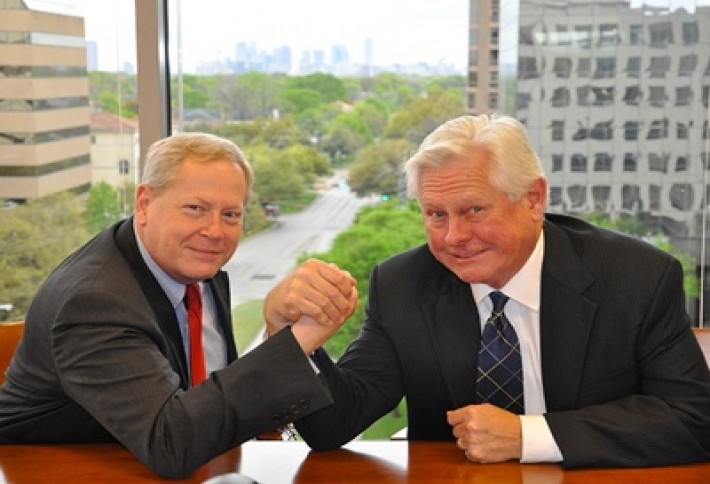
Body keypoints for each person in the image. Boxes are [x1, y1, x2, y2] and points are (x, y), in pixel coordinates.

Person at [270, 114, 710, 468]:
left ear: (534, 200)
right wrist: (294, 339)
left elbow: (693, 419)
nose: (452, 237)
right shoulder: (403, 284)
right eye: (435, 215)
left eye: (473, 210)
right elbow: (333, 425)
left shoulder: (635, 277)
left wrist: (529, 436)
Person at [0, 132, 358, 479]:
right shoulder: (95, 303)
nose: (215, 231)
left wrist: (278, 330)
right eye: (195, 209)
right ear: (144, 204)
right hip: (54, 470)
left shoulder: (200, 268)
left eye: (230, 215)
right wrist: (297, 340)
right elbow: (173, 443)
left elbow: (209, 398)